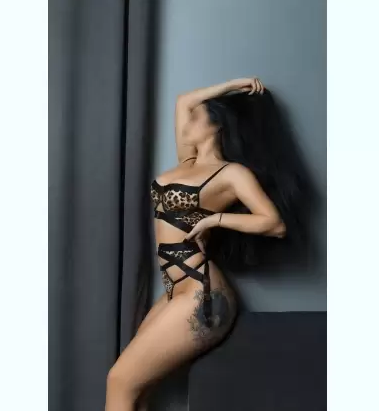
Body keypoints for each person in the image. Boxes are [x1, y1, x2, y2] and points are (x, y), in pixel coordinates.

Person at [104, 77, 302, 410]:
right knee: (138, 392)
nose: (187, 123)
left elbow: (275, 224)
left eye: (197, 118)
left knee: (120, 381)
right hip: (175, 290)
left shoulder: (231, 174)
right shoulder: (188, 162)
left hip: (202, 292)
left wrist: (215, 219)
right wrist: (235, 85)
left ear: (216, 125)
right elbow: (184, 100)